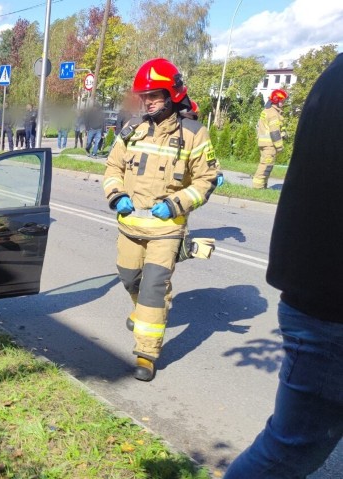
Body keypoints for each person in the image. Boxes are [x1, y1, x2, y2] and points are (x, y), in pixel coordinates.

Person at [223, 53, 343, 479]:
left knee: (294, 450)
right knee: (289, 452)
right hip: (330, 307)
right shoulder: (276, 112)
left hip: (318, 298)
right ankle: (257, 182)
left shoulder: (333, 75)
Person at [102, 58, 218, 381]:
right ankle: (141, 312)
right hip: (130, 226)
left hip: (166, 230)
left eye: (154, 95)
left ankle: (147, 353)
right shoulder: (131, 130)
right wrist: (116, 196)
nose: (148, 102)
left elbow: (206, 180)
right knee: (128, 277)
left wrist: (177, 203)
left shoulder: (195, 134)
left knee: (154, 287)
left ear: (172, 95)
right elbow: (112, 168)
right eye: (144, 96)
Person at [253, 88, 287, 189]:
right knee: (265, 166)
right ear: (277, 100)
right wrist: (280, 147)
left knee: (266, 165)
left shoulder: (267, 111)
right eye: (282, 101)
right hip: (270, 145)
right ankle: (257, 187)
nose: (283, 103)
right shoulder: (273, 114)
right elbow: (274, 132)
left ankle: (263, 186)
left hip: (264, 143)